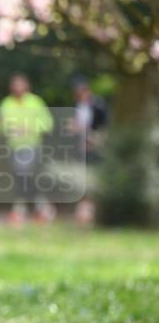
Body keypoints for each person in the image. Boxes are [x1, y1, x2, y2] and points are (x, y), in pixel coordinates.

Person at [0, 74, 55, 225]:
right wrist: (8, 128)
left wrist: (28, 129)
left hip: (31, 146)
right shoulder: (6, 103)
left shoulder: (35, 102)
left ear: (27, 86)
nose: (18, 88)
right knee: (21, 177)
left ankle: (20, 209)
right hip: (14, 147)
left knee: (24, 174)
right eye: (15, 85)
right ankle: (42, 207)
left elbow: (48, 123)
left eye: (20, 84)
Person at [69, 76, 108, 226]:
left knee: (92, 179)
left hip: (94, 146)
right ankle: (82, 211)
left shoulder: (98, 105)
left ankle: (89, 211)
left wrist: (92, 139)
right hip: (80, 147)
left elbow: (103, 128)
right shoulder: (76, 106)